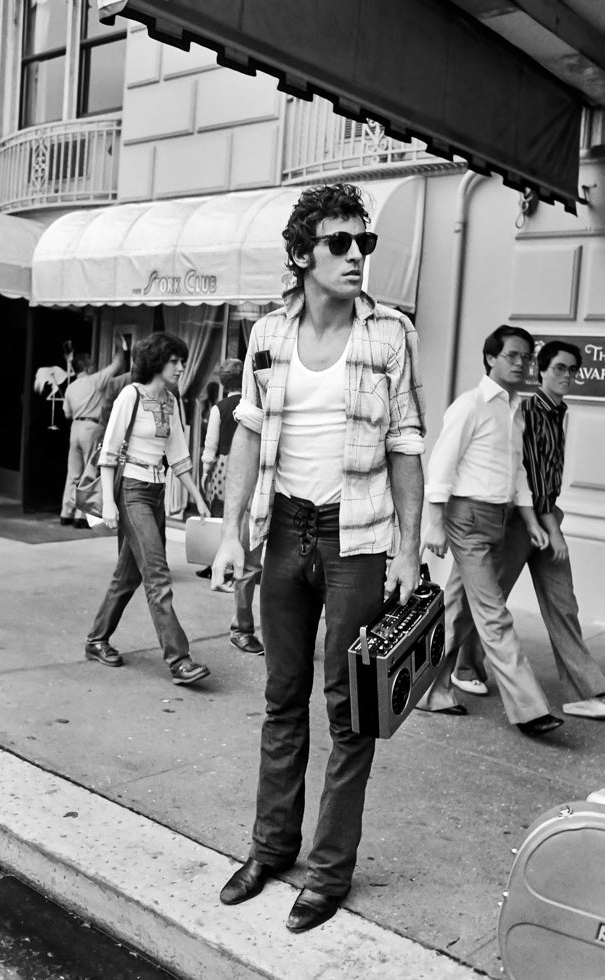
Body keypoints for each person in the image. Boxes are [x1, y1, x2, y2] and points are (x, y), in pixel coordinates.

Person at [212, 183, 425, 932]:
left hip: (356, 538)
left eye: (363, 243)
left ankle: (329, 873)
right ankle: (271, 849)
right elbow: (245, 430)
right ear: (302, 254)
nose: (356, 257)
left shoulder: (391, 335)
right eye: (340, 243)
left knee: (350, 710)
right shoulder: (267, 334)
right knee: (280, 698)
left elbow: (406, 445)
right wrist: (234, 527)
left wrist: (408, 548)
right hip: (285, 534)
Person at [418, 325, 564, 737]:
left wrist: (533, 523)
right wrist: (435, 523)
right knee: (493, 613)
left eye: (526, 357)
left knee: (458, 611)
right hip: (467, 519)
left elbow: (517, 473)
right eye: (513, 356)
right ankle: (529, 709)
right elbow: (441, 466)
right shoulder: (471, 405)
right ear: (490, 359)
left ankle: (430, 689)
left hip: (497, 519)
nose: (522, 363)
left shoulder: (514, 410)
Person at [452, 341, 605, 720]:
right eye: (559, 369)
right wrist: (549, 527)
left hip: (544, 515)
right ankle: (464, 667)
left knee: (563, 605)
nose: (567, 376)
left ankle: (582, 691)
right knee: (489, 601)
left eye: (573, 370)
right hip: (523, 520)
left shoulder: (558, 412)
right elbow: (532, 477)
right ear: (543, 371)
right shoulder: (530, 411)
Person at [85, 333, 212, 686]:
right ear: (158, 361)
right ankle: (179, 659)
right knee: (157, 574)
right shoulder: (131, 394)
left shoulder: (170, 401)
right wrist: (110, 504)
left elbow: (179, 454)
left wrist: (197, 498)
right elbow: (109, 452)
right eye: (176, 361)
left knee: (128, 575)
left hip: (156, 491)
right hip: (132, 491)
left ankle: (97, 639)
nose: (182, 367)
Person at [200, 358, 264, 655]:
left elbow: (211, 446)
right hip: (253, 473)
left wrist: (205, 470)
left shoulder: (219, 409)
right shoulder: (255, 406)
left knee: (228, 523)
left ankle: (223, 560)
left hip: (227, 468)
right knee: (248, 549)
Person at [60, 338, 125, 528]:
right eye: (91, 362)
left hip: (75, 427)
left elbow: (66, 413)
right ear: (87, 367)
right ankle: (81, 516)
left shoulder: (71, 387)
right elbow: (117, 364)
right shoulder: (95, 381)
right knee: (88, 472)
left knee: (72, 473)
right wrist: (121, 346)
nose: (95, 365)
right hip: (91, 427)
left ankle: (66, 512)